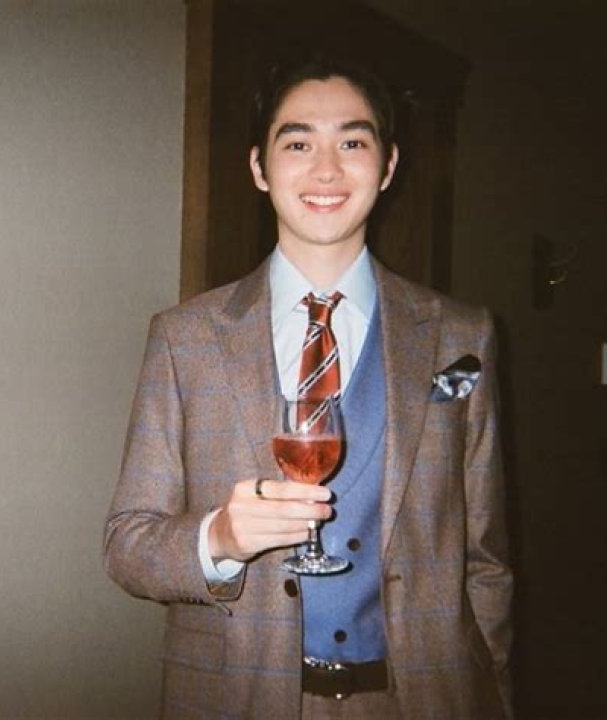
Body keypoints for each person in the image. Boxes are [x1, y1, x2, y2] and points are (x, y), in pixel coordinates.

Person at [104, 56, 513, 719]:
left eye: (352, 143)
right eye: (298, 144)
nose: (326, 170)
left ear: (388, 166)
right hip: (239, 699)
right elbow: (127, 545)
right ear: (259, 167)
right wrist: (220, 539)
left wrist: (490, 695)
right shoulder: (184, 338)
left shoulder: (463, 337)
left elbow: (485, 560)